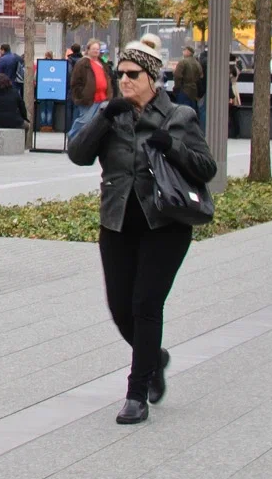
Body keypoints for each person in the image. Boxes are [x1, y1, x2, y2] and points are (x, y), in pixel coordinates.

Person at [68, 33, 216, 425]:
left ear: (152, 77)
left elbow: (207, 169)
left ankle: (137, 394)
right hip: (116, 223)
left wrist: (174, 148)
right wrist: (102, 116)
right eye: (120, 74)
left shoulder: (179, 117)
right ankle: (155, 357)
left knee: (145, 305)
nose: (125, 81)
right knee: (120, 308)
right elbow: (78, 155)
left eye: (133, 74)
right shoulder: (110, 115)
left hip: (164, 224)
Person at [68, 39, 113, 135]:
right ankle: (73, 137)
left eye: (97, 49)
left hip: (102, 98)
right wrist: (81, 95)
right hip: (89, 99)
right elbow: (75, 82)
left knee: (97, 124)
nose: (96, 51)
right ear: (88, 50)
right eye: (93, 49)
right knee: (84, 121)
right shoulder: (82, 63)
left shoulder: (102, 63)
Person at [172, 46, 203, 112]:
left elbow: (177, 76)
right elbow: (201, 76)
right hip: (194, 91)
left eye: (184, 50)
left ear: (188, 52)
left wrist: (176, 88)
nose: (183, 51)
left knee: (181, 112)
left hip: (183, 90)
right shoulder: (197, 63)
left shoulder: (182, 62)